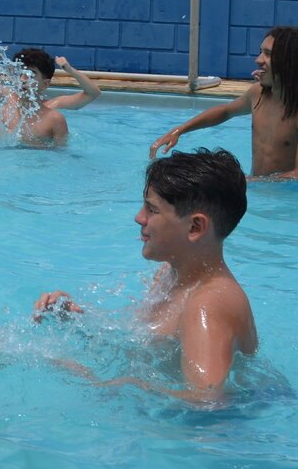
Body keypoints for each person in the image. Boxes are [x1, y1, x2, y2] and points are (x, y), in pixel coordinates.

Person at [33, 148, 257, 401]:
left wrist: (104, 384)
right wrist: (77, 322)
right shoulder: (170, 274)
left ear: (195, 227)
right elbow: (143, 342)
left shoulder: (207, 305)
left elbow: (208, 402)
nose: (139, 218)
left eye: (152, 209)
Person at [149, 26, 298, 179]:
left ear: (290, 62)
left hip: (288, 197)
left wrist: (250, 183)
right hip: (259, 188)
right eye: (260, 52)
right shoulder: (258, 93)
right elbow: (225, 111)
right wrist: (179, 130)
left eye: (268, 54)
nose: (258, 60)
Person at [0, 48, 101, 146]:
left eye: (30, 75)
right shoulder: (8, 100)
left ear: (45, 84)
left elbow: (93, 93)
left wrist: (71, 71)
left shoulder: (53, 114)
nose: (23, 79)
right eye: (20, 73)